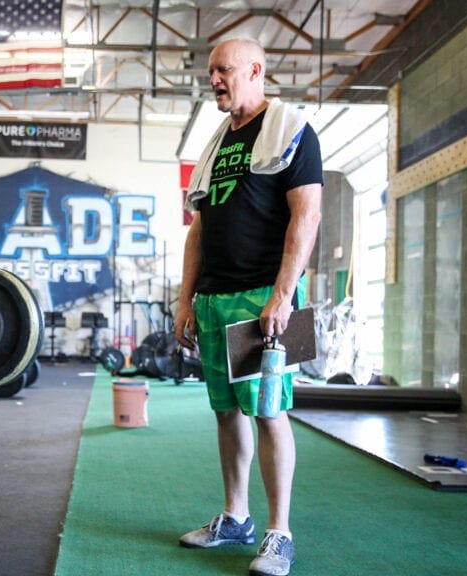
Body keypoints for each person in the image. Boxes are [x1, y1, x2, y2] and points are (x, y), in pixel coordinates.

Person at [172, 37, 322, 576]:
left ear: (256, 69)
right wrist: (185, 299)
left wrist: (284, 294)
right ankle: (236, 518)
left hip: (265, 297)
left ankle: (280, 533)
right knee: (225, 410)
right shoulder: (217, 144)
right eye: (210, 70)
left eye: (224, 69)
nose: (214, 78)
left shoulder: (292, 130)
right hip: (214, 298)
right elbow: (199, 230)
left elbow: (307, 217)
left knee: (270, 411)